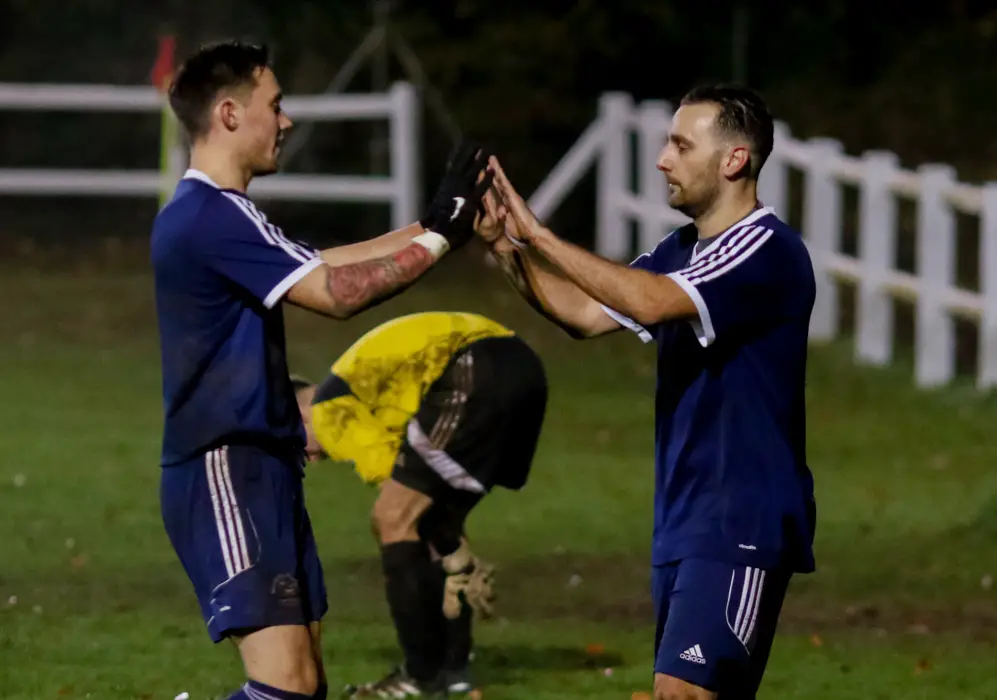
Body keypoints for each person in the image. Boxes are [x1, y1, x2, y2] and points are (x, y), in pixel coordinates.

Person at [151, 40, 492, 700]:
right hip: (223, 466)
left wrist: (433, 221)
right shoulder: (206, 218)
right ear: (228, 114)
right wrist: (441, 239)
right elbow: (340, 295)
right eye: (274, 105)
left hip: (265, 468)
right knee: (284, 686)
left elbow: (325, 265)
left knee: (303, 689)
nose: (287, 120)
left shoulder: (227, 214)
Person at [481, 84, 817, 700]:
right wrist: (509, 249)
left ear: (734, 160)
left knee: (680, 692)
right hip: (685, 520)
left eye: (681, 145)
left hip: (741, 519)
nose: (663, 159)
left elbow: (651, 300)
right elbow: (584, 313)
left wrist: (540, 234)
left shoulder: (765, 249)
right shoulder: (681, 251)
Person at [291, 310, 548, 698]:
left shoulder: (330, 407)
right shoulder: (366, 389)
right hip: (523, 369)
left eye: (296, 445)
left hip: (474, 368)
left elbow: (394, 499)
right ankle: (454, 672)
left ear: (295, 414)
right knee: (431, 526)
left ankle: (419, 673)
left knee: (393, 520)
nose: (308, 459)